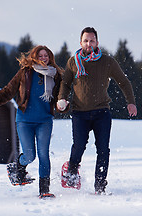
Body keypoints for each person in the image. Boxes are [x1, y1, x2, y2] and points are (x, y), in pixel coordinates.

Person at [57, 27, 137, 194]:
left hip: (102, 112)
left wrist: (131, 102)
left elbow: (124, 82)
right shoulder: (73, 62)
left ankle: (100, 187)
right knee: (79, 146)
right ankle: (71, 170)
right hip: (80, 113)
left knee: (103, 150)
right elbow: (65, 83)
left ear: (97, 42)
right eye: (86, 40)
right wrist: (62, 98)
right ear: (80, 43)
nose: (88, 43)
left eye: (92, 40)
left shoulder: (107, 62)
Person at [0, 45, 64, 199]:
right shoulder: (26, 73)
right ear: (34, 57)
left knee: (44, 154)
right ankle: (17, 167)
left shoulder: (56, 76)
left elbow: (61, 97)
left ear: (50, 58)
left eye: (47, 56)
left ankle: (44, 190)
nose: (44, 58)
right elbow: (9, 90)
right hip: (25, 121)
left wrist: (64, 104)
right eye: (41, 55)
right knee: (30, 156)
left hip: (45, 121)